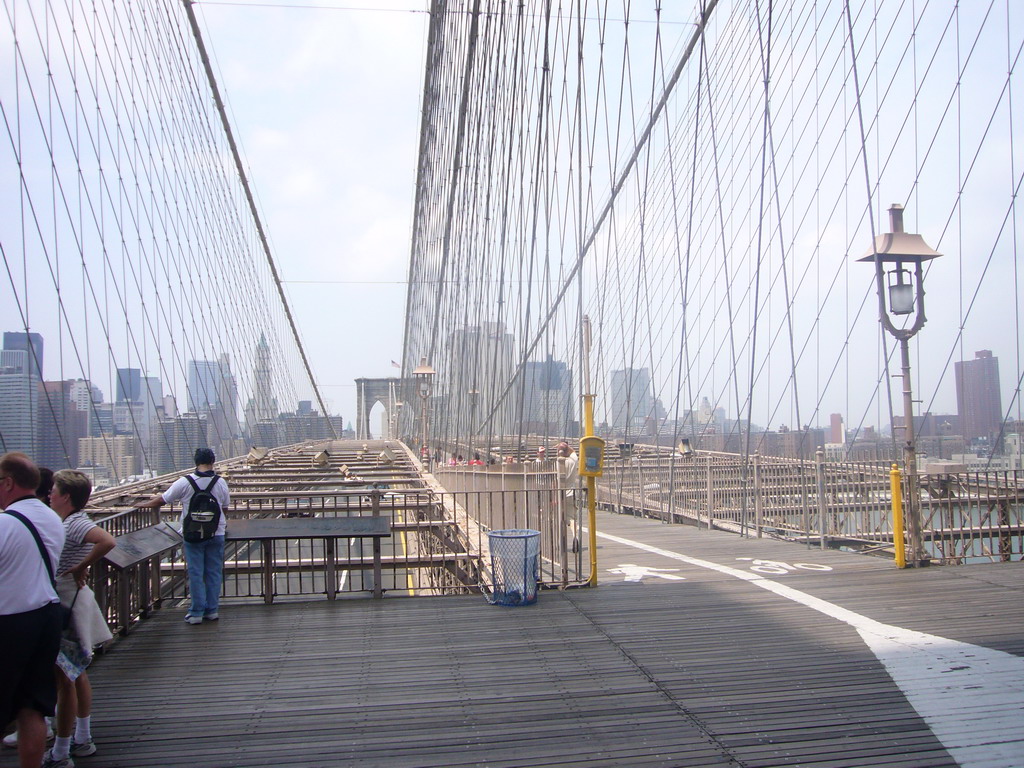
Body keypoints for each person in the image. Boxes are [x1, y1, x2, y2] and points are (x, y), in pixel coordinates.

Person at [40, 471, 115, 768]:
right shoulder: (66, 523)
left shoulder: (73, 523)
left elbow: (107, 540)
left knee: (64, 678)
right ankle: (82, 737)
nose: (49, 494)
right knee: (76, 673)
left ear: (66, 496)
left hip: (66, 606)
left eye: (54, 490)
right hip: (73, 603)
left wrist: (80, 566)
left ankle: (61, 751)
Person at [0, 452, 65, 768]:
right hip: (47, 616)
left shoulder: (4, 523)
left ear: (9, 483)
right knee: (33, 708)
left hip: (10, 622)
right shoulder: (52, 518)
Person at [138, 448, 229, 624]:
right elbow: (224, 508)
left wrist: (145, 505)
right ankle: (212, 610)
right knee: (213, 572)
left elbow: (162, 500)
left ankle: (196, 613)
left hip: (192, 533)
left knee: (195, 573)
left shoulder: (185, 482)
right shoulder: (220, 483)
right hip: (216, 532)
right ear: (213, 461)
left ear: (195, 462)